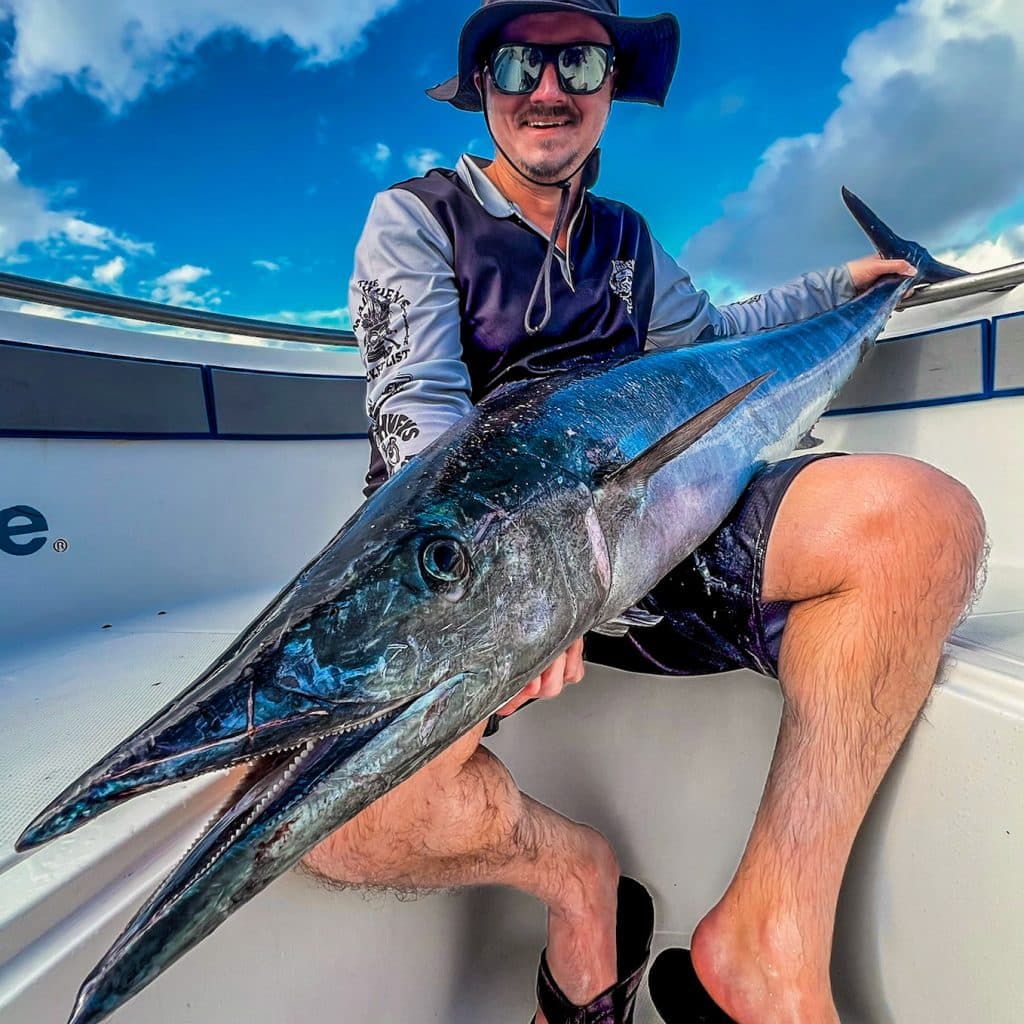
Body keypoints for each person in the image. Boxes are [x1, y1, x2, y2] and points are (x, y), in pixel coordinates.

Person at [302, 2, 986, 1021]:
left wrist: (853, 281)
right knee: (340, 815)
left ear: (610, 85)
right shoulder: (417, 218)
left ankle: (764, 948)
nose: (547, 90)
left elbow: (716, 341)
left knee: (920, 522)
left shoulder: (625, 241)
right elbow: (423, 421)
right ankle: (580, 881)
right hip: (479, 574)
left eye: (578, 63)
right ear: (481, 84)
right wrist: (521, 596)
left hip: (656, 539)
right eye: (518, 63)